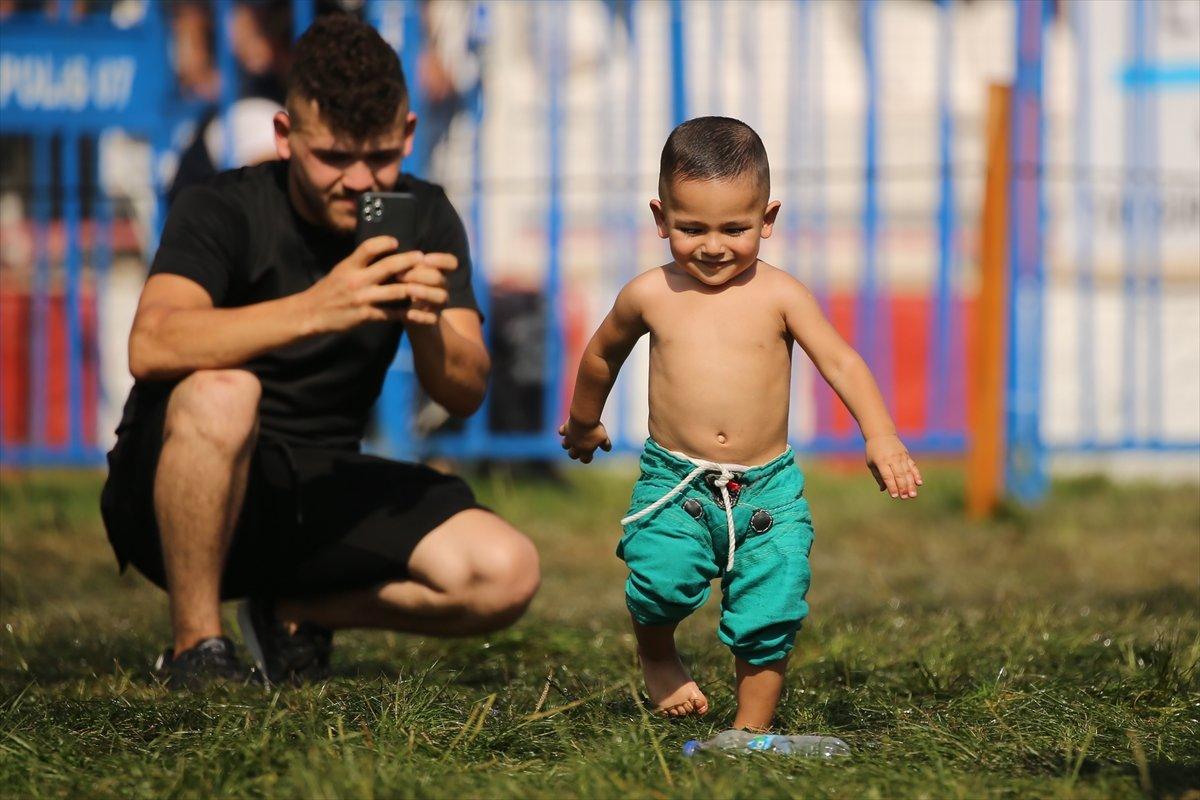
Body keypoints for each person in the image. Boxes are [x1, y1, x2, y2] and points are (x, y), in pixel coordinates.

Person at [100, 14, 540, 689]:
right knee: (226, 392)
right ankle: (196, 649)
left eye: (382, 155)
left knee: (504, 572)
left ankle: (295, 613)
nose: (361, 181)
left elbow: (465, 389)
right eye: (333, 157)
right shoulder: (224, 206)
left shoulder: (420, 214)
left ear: (409, 134)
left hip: (318, 483)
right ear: (285, 137)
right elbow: (153, 343)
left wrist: (424, 320)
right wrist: (317, 308)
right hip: (174, 489)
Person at [559, 117, 922, 731]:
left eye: (736, 227)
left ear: (768, 219)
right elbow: (600, 355)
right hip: (677, 483)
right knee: (660, 581)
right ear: (660, 217)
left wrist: (880, 433)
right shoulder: (649, 294)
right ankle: (657, 656)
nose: (713, 245)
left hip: (767, 492)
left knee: (772, 605)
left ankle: (749, 732)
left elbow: (840, 359)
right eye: (690, 227)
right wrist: (584, 422)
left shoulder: (781, 295)